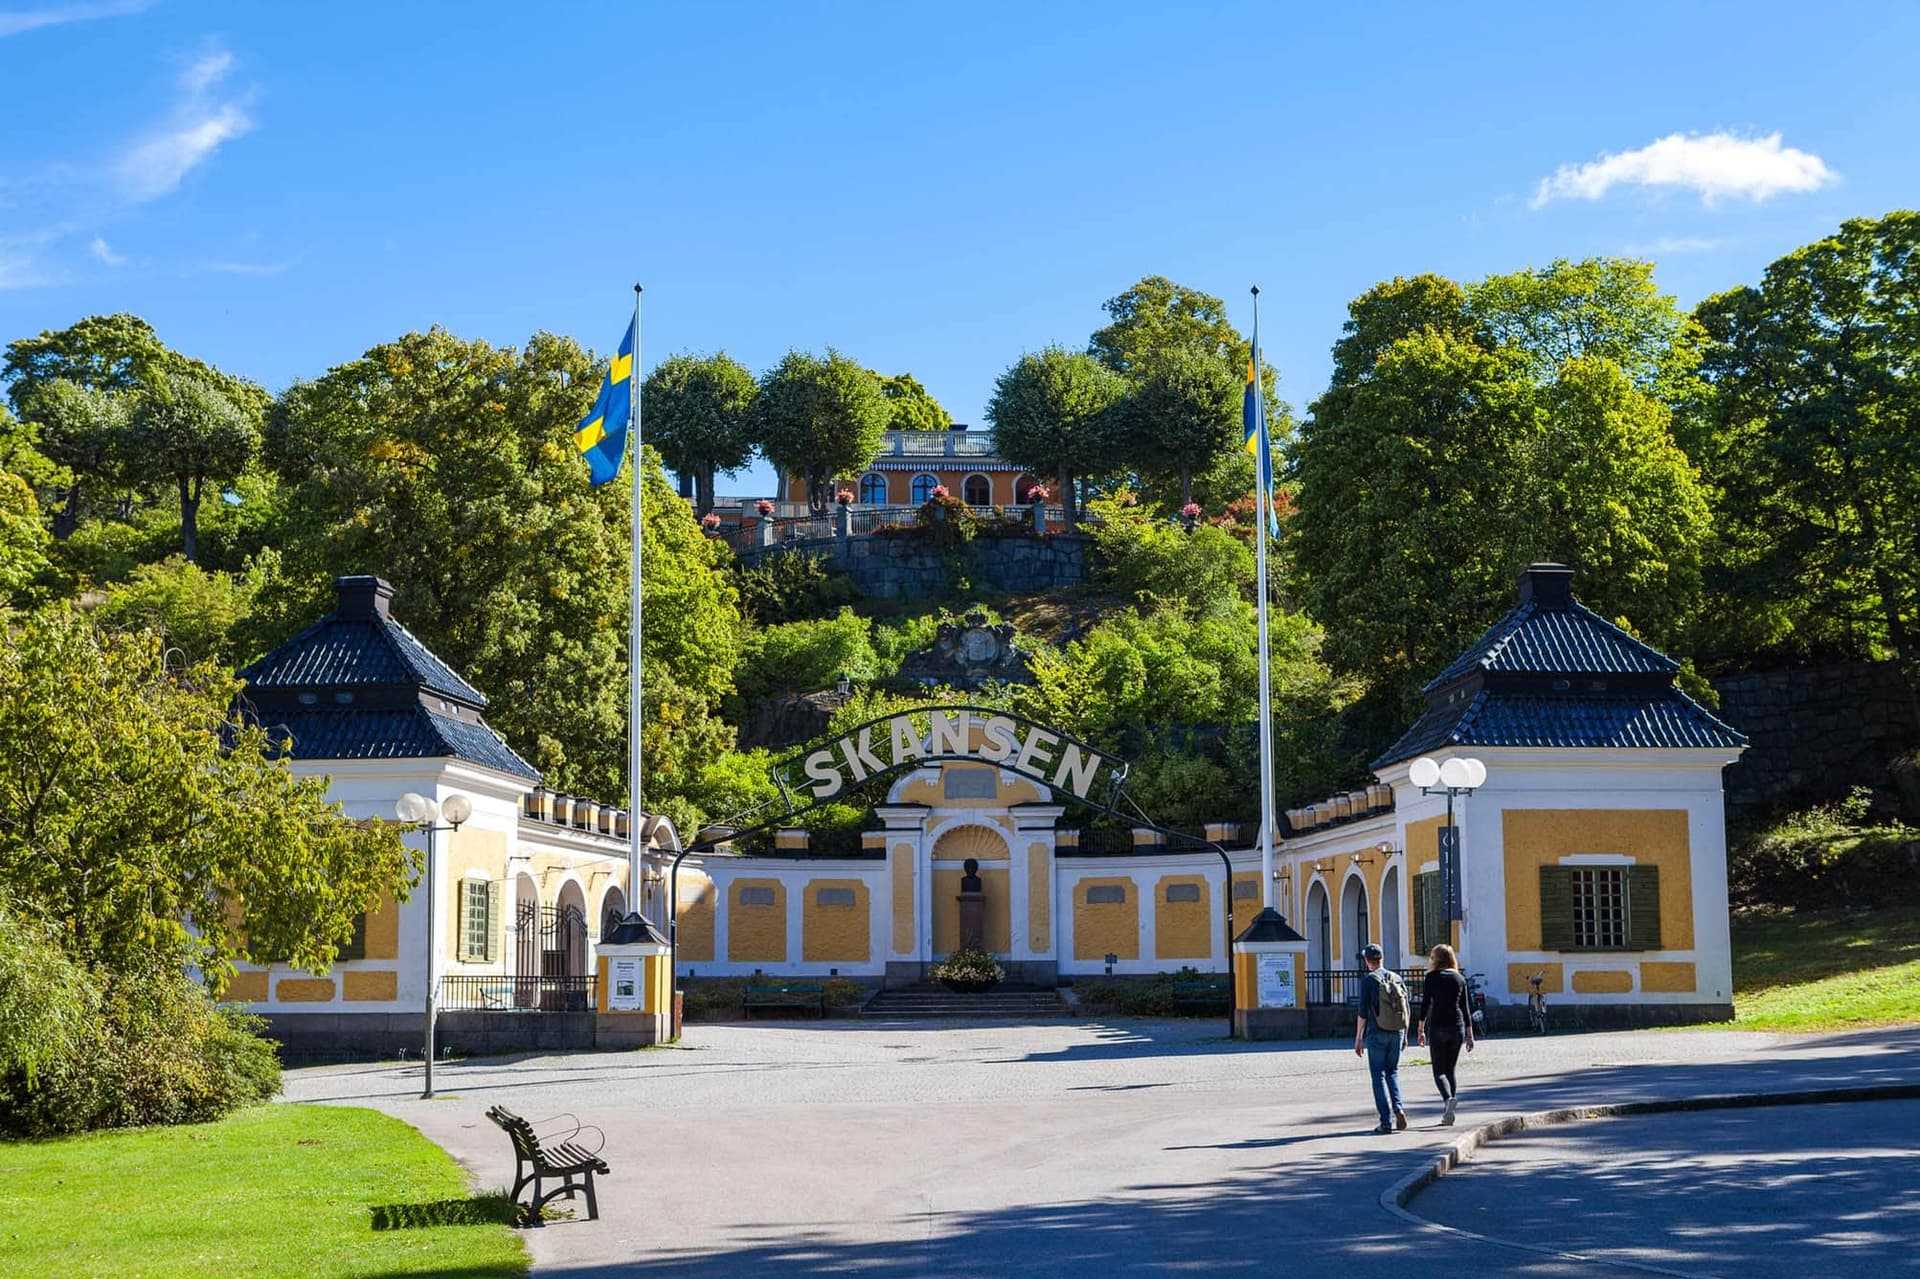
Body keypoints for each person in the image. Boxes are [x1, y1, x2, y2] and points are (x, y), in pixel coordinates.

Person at [1416, 943, 1475, 1125]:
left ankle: (1448, 1100)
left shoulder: (1431, 977)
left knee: (1439, 1071)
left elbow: (1425, 1004)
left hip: (1438, 1027)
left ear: (1436, 959)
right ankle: (1449, 1112)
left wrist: (1420, 1028)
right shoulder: (1459, 978)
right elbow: (1465, 1008)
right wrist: (1470, 1034)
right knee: (1450, 1070)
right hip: (1457, 1027)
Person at [1353, 943, 1408, 1134]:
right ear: (1382, 958)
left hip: (1377, 1033)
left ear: (1367, 961)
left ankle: (1386, 1122)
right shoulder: (1397, 978)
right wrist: (1404, 1034)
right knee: (1392, 1072)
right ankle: (1398, 1108)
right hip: (1397, 1032)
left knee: (1378, 1076)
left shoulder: (1368, 981)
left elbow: (1362, 1012)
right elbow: (1406, 1008)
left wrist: (1358, 1037)